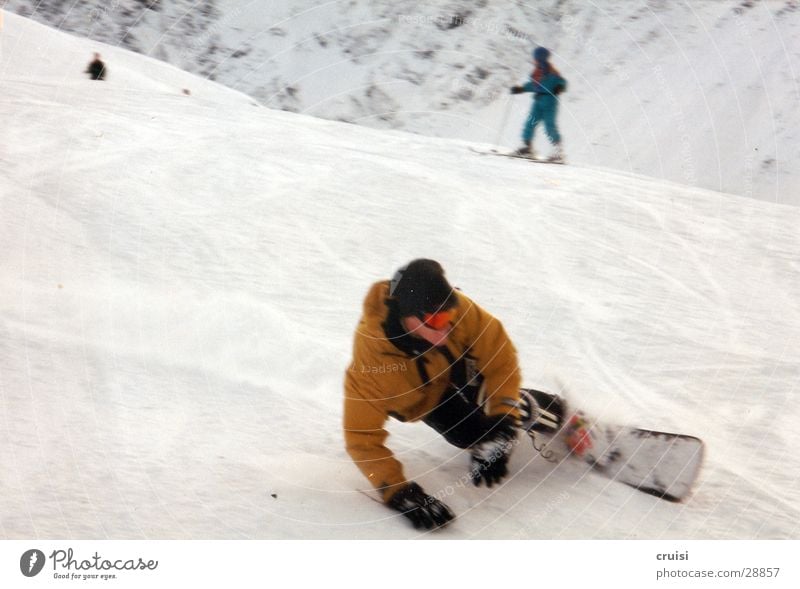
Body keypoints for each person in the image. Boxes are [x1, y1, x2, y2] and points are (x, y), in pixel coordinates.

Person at [343, 259, 529, 530]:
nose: (445, 329)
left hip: (458, 366)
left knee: (496, 418)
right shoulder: (373, 366)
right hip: (425, 400)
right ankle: (493, 419)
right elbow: (361, 439)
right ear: (406, 315)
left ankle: (539, 409)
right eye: (435, 321)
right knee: (472, 436)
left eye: (448, 317)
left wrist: (505, 416)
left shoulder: (453, 312)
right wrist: (397, 492)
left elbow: (498, 354)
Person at [510, 46, 567, 162]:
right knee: (530, 122)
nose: (534, 60)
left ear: (540, 58)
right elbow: (533, 85)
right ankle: (527, 148)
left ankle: (558, 152)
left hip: (550, 101)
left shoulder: (552, 72)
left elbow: (562, 82)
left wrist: (560, 86)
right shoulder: (537, 72)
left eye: (535, 57)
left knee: (549, 125)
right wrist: (520, 89)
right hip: (538, 101)